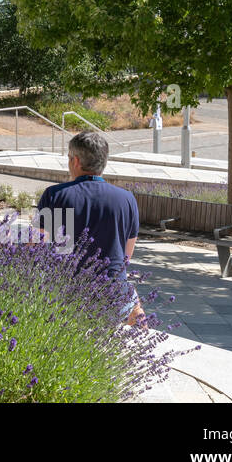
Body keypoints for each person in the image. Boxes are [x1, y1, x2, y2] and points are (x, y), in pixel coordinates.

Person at [36, 131, 144, 325]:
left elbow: (39, 246)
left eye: (69, 158)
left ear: (76, 161)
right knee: (137, 309)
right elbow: (126, 257)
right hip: (112, 297)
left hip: (65, 295)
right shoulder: (127, 199)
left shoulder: (54, 196)